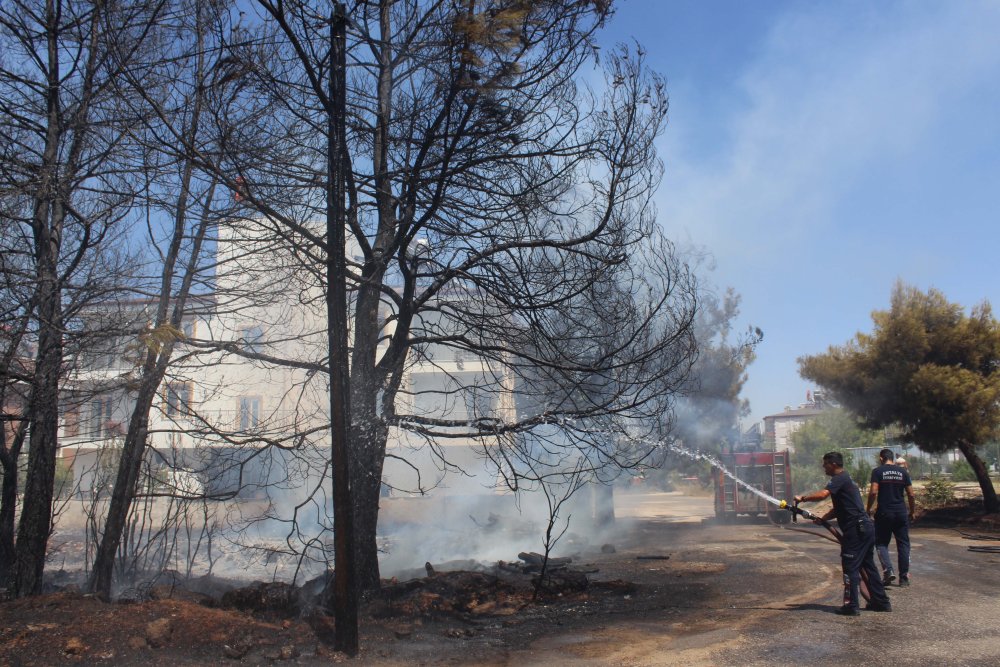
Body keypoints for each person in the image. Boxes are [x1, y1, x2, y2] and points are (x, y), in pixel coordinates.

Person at [794, 451, 891, 616]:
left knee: (850, 566)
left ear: (833, 464)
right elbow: (840, 508)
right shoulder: (846, 480)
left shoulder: (839, 479)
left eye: (825, 464)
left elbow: (823, 495)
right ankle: (881, 602)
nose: (823, 467)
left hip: (856, 530)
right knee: (868, 566)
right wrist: (823, 518)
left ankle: (851, 605)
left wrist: (803, 499)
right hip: (865, 528)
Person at [867, 448, 916, 587]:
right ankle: (904, 578)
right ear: (893, 459)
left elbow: (873, 492)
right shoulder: (903, 472)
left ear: (881, 458)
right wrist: (912, 511)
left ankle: (888, 570)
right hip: (901, 513)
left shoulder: (877, 471)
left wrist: (868, 509)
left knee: (881, 543)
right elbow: (911, 494)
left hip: (884, 513)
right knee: (904, 544)